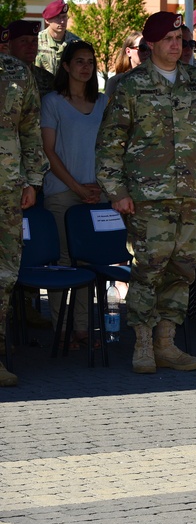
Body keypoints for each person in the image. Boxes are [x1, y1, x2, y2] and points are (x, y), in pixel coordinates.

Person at [96, 11, 196, 374]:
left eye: (180, 38)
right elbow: (110, 144)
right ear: (150, 44)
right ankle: (141, 343)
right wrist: (116, 190)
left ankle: (166, 341)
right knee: (147, 269)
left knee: (182, 269)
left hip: (190, 194)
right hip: (146, 198)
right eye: (168, 39)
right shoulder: (131, 86)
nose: (176, 44)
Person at [40, 40, 108, 347]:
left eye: (90, 62)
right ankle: (62, 330)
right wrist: (78, 187)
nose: (86, 67)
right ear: (66, 66)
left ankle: (83, 329)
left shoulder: (104, 103)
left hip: (97, 194)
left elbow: (110, 149)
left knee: (87, 262)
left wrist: (97, 188)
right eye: (79, 61)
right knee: (63, 261)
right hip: (63, 193)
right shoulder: (52, 103)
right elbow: (48, 152)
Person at [0, 42, 47, 387]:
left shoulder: (17, 72)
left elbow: (31, 129)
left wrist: (32, 179)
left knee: (4, 277)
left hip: (8, 192)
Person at [7, 20, 55, 99]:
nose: (31, 46)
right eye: (24, 41)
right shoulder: (3, 75)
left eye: (34, 41)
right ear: (10, 44)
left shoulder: (48, 79)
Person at [35, 0, 82, 76]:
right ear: (47, 20)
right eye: (57, 18)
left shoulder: (76, 42)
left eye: (64, 17)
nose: (62, 21)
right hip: (43, 87)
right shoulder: (37, 41)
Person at [105, 31, 150, 98]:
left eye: (150, 48)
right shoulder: (116, 82)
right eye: (142, 48)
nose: (147, 52)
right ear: (128, 51)